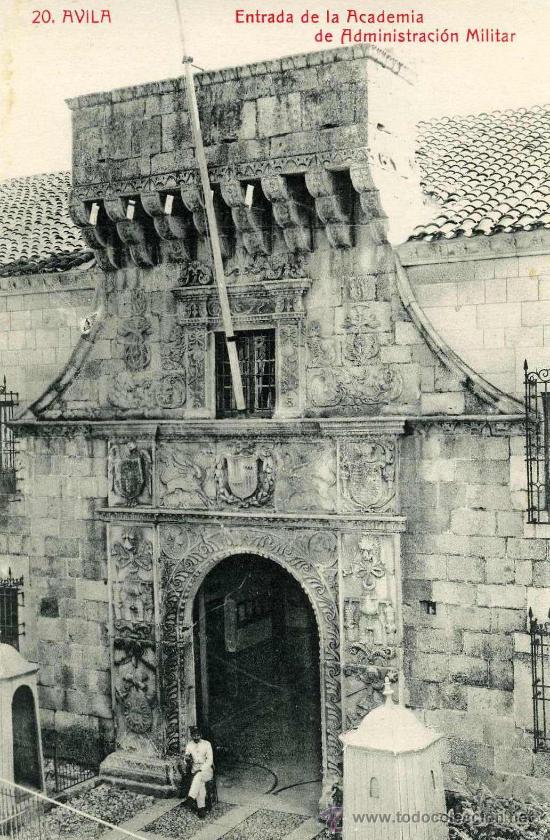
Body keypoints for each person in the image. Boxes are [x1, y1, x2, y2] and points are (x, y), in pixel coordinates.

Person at [181, 725, 214, 818]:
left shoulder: (207, 744)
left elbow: (210, 760)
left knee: (199, 777)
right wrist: (187, 759)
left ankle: (191, 797)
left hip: (207, 771)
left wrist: (201, 769)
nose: (196, 737)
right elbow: (186, 756)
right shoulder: (189, 744)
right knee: (200, 782)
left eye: (198, 735)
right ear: (191, 735)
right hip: (194, 771)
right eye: (194, 735)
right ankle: (201, 808)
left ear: (201, 735)